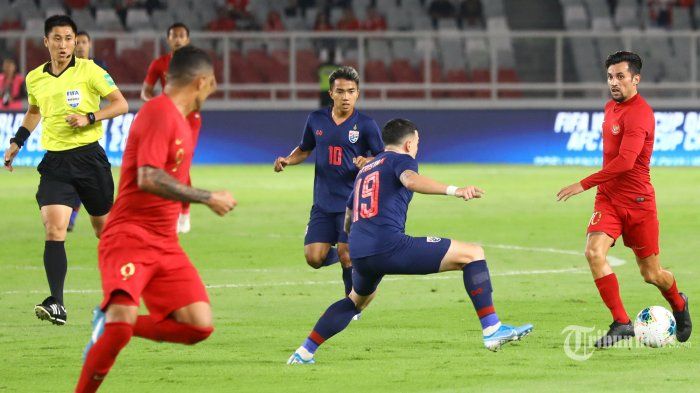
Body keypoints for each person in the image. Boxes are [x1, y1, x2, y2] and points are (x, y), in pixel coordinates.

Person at [287, 119, 533, 364]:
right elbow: (411, 181)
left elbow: (350, 216)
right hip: (389, 246)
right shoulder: (401, 160)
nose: (417, 147)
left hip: (361, 253)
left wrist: (356, 241)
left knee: (354, 302)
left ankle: (304, 352)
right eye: (416, 142)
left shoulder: (366, 170)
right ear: (407, 144)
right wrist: (455, 190)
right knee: (473, 254)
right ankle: (492, 329)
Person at [75, 45, 236, 392]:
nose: (213, 90)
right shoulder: (159, 112)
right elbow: (148, 177)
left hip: (165, 243)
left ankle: (107, 323)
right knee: (120, 324)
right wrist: (208, 198)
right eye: (212, 84)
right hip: (130, 235)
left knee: (198, 326)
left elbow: (175, 173)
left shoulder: (188, 120)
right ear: (202, 81)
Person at [557, 51, 692, 348]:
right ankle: (621, 322)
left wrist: (583, 183)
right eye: (610, 77)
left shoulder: (641, 113)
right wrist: (597, 189)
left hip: (638, 203)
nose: (614, 83)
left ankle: (678, 304)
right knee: (594, 253)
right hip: (608, 200)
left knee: (651, 274)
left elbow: (626, 162)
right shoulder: (610, 107)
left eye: (620, 77)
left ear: (636, 79)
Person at [3, 15, 128, 326]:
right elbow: (34, 110)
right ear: (46, 42)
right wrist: (18, 140)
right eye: (57, 39)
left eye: (68, 39)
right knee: (54, 228)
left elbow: (120, 104)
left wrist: (90, 117)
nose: (63, 45)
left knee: (104, 231)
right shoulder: (35, 78)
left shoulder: (90, 71)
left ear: (75, 42)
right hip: (56, 163)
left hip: (90, 160)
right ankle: (56, 302)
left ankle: (124, 290)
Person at [274, 66, 384, 298]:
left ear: (358, 93)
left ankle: (351, 304)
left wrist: (368, 160)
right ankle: (351, 255)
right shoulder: (316, 119)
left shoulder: (365, 124)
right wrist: (288, 159)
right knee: (314, 258)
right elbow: (304, 149)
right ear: (331, 93)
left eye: (351, 91)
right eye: (341, 91)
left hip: (351, 204)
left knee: (346, 254)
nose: (346, 97)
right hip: (323, 203)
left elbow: (384, 157)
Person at [141, 22, 200, 234]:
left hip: (189, 119)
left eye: (182, 35)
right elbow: (146, 92)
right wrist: (156, 104)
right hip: (166, 119)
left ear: (187, 39)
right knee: (167, 164)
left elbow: (204, 89)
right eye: (174, 35)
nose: (177, 39)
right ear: (168, 39)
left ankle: (184, 212)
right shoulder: (159, 64)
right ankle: (169, 210)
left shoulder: (195, 64)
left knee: (182, 162)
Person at [68, 30, 109, 233]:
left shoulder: (98, 67)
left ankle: (80, 215)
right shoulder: (66, 68)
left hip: (91, 129)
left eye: (84, 42)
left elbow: (109, 94)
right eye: (78, 42)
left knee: (88, 180)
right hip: (70, 130)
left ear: (90, 45)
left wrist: (92, 116)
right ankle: (71, 215)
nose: (81, 45)